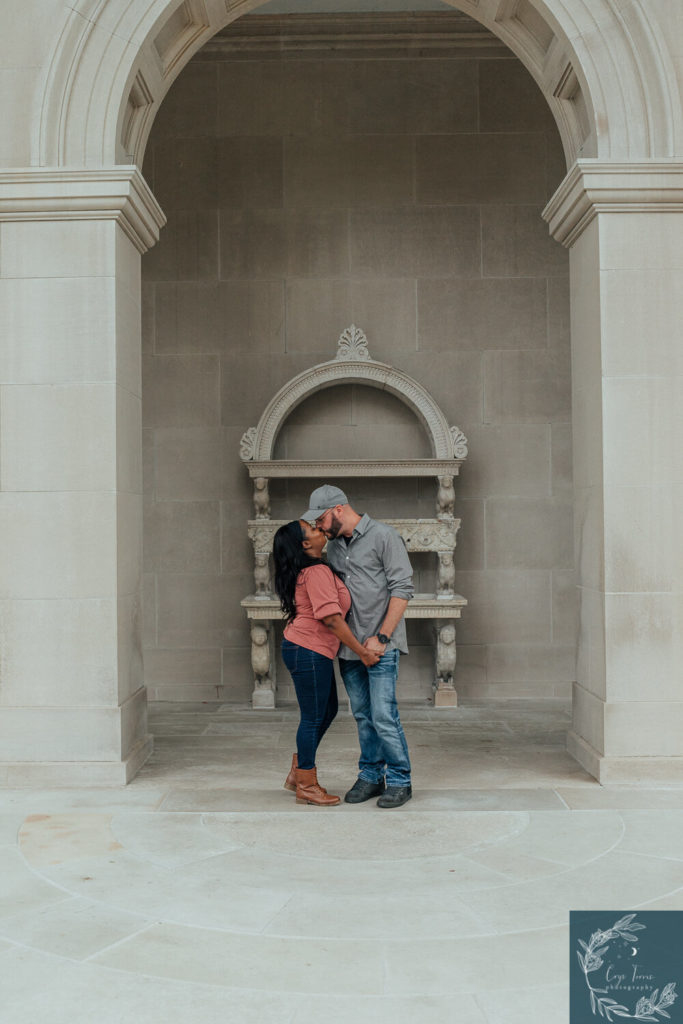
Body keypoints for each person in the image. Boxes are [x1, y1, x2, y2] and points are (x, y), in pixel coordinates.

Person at [302, 485, 414, 809]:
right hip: (348, 648)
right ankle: (370, 776)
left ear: (339, 509)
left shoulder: (384, 537)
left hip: (381, 646)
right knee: (363, 715)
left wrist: (381, 638)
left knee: (383, 715)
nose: (320, 527)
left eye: (321, 519)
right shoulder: (334, 547)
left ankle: (399, 780)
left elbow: (402, 588)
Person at [272, 519, 380, 807]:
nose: (321, 531)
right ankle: (306, 784)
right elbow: (331, 619)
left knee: (326, 710)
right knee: (312, 716)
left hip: (307, 649)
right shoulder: (316, 571)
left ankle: (299, 772)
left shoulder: (313, 569)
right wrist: (362, 652)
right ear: (306, 544)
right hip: (307, 649)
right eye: (314, 530)